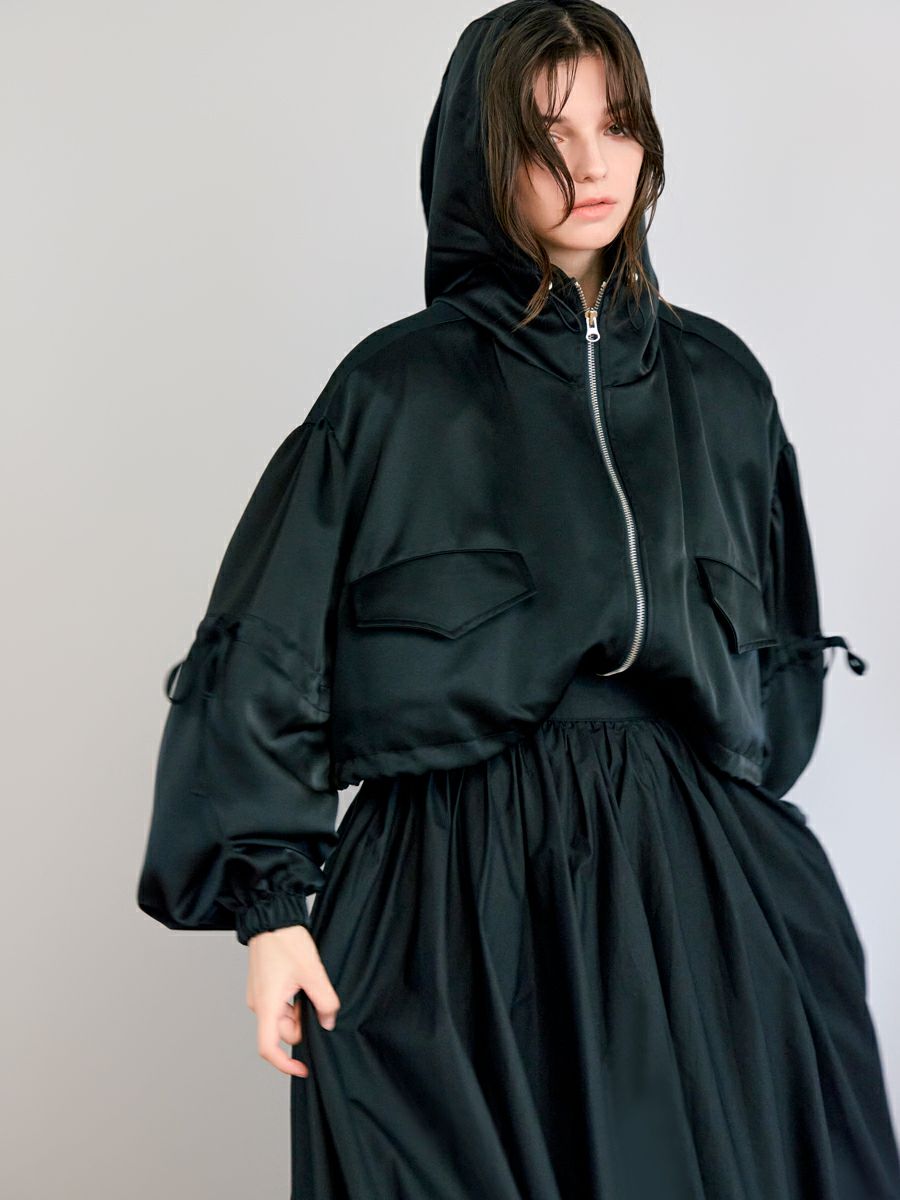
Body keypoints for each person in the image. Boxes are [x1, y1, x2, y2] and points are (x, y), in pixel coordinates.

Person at [136, 2, 900, 1196]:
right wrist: (272, 910)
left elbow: (774, 660)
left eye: (617, 124)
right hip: (455, 874)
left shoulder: (720, 383)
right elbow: (268, 640)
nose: (591, 165)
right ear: (481, 156)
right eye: (548, 135)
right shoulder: (395, 389)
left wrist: (732, 852)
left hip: (687, 879)